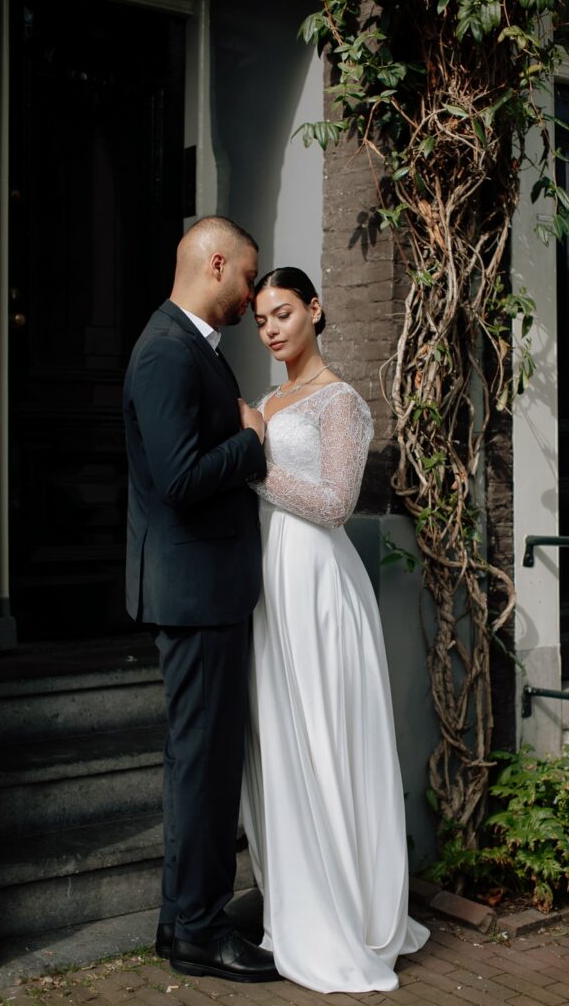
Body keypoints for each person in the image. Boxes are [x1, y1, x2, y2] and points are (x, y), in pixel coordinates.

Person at [239, 267, 430, 993]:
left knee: (325, 736)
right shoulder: (269, 400)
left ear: (315, 310)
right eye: (261, 320)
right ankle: (296, 903)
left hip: (319, 584)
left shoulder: (339, 401)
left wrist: (254, 458)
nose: (271, 330)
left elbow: (333, 504)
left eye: (283, 313)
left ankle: (345, 911)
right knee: (284, 742)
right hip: (270, 583)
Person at [122, 216, 281, 983]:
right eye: (247, 277)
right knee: (204, 767)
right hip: (193, 593)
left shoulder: (191, 348)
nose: (252, 296)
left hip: (205, 590)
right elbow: (180, 477)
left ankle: (178, 920)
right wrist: (251, 443)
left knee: (201, 763)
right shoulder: (164, 351)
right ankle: (200, 930)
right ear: (215, 262)